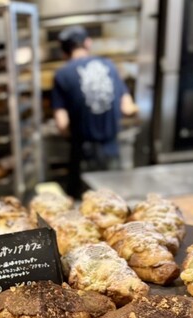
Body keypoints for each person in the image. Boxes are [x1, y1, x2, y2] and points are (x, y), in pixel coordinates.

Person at [51, 26, 138, 198]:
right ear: (88, 43)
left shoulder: (62, 74)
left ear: (63, 51)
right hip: (111, 147)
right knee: (112, 202)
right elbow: (128, 108)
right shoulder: (109, 66)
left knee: (84, 205)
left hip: (83, 151)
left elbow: (62, 124)